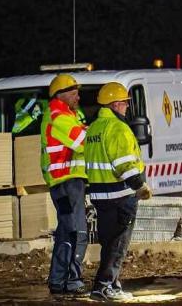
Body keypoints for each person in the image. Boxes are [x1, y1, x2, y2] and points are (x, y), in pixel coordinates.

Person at [85, 82, 152, 301]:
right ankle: (104, 286)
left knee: (109, 242)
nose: (126, 107)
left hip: (100, 195)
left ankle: (111, 284)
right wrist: (139, 185)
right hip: (120, 194)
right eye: (124, 103)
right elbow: (124, 163)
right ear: (115, 104)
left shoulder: (94, 127)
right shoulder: (118, 128)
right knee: (118, 244)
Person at [41, 73, 89, 297]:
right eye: (73, 92)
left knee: (66, 232)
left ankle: (59, 281)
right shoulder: (59, 115)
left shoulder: (67, 115)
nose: (77, 96)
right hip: (67, 182)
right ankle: (72, 280)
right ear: (60, 95)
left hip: (62, 183)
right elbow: (82, 142)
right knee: (77, 231)